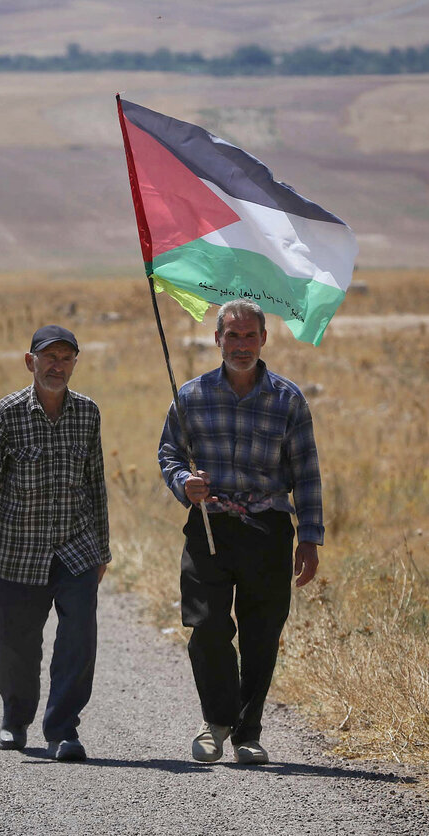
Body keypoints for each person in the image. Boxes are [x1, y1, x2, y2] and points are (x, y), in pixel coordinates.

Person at [158, 298, 322, 765]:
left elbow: (306, 473)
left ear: (264, 339)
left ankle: (248, 734)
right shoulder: (190, 396)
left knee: (261, 634)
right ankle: (216, 722)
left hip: (268, 529)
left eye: (250, 335)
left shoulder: (288, 400)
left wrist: (308, 538)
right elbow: (169, 453)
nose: (242, 345)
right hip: (209, 524)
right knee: (206, 624)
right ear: (217, 340)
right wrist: (183, 483)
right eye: (233, 335)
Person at [0, 324, 110, 762]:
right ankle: (15, 717)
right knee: (14, 643)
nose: (57, 366)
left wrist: (103, 550)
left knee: (78, 639)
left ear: (75, 364)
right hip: (18, 552)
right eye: (49, 357)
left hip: (75, 549)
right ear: (31, 362)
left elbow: (96, 485)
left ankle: (62, 730)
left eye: (66, 358)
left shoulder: (88, 413)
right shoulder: (7, 414)